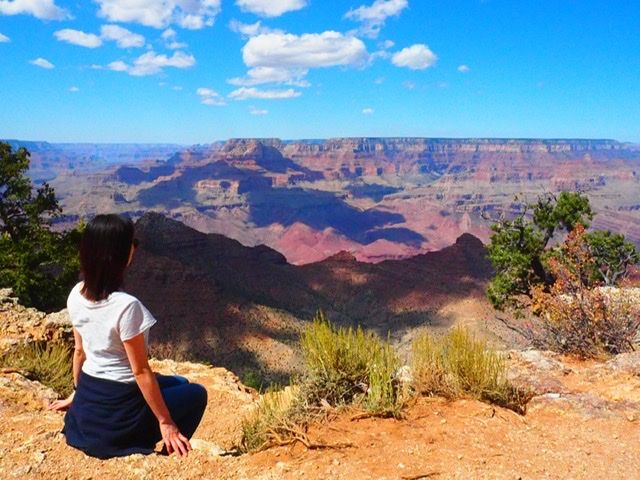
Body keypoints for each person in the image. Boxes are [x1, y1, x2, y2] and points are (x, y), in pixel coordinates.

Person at [48, 214, 208, 459]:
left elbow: (80, 352)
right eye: (132, 243)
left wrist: (78, 394)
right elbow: (140, 371)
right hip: (118, 413)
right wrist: (165, 421)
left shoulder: (76, 293)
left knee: (180, 382)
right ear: (120, 254)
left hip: (91, 397)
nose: (135, 247)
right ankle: (170, 452)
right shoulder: (127, 307)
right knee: (196, 393)